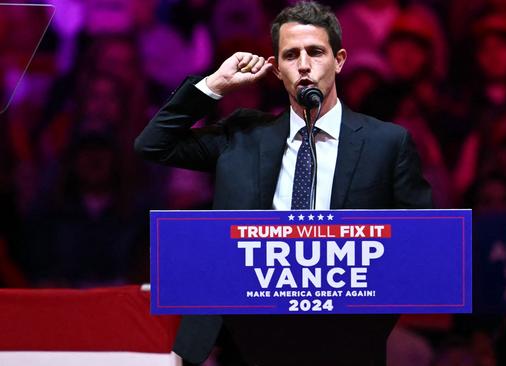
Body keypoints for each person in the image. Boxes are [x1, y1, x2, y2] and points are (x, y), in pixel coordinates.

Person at [134, 2, 432, 365]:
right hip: (244, 340)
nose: (304, 64)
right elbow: (153, 144)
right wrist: (213, 85)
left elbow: (420, 246)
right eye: (291, 55)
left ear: (339, 60)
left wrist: (366, 325)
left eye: (316, 52)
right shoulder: (243, 135)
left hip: (344, 338)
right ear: (275, 69)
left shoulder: (388, 143)